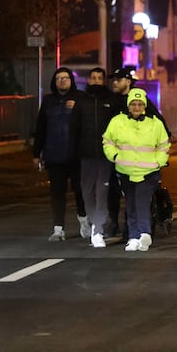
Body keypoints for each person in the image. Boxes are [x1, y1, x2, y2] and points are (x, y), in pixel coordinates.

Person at [103, 88, 170, 252]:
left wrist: (158, 162)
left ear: (145, 106)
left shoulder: (155, 124)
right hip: (125, 171)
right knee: (131, 205)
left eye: (140, 104)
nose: (137, 107)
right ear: (128, 105)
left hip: (148, 172)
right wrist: (115, 156)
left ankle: (144, 232)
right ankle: (134, 237)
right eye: (133, 104)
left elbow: (163, 145)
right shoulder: (117, 122)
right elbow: (108, 141)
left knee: (141, 202)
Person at [33, 67, 88, 241]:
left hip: (76, 156)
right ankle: (58, 228)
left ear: (71, 80)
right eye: (58, 78)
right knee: (57, 193)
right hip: (54, 155)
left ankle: (84, 221)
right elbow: (40, 129)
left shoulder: (80, 98)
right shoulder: (48, 101)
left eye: (65, 78)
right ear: (54, 81)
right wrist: (37, 153)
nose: (62, 81)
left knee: (80, 190)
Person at [69, 67, 120, 248]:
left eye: (100, 78)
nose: (97, 80)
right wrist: (73, 152)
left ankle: (98, 229)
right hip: (86, 156)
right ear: (89, 80)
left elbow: (119, 128)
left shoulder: (111, 101)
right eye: (94, 77)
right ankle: (93, 222)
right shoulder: (82, 102)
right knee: (87, 193)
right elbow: (73, 128)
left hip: (106, 157)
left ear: (104, 80)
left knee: (102, 193)